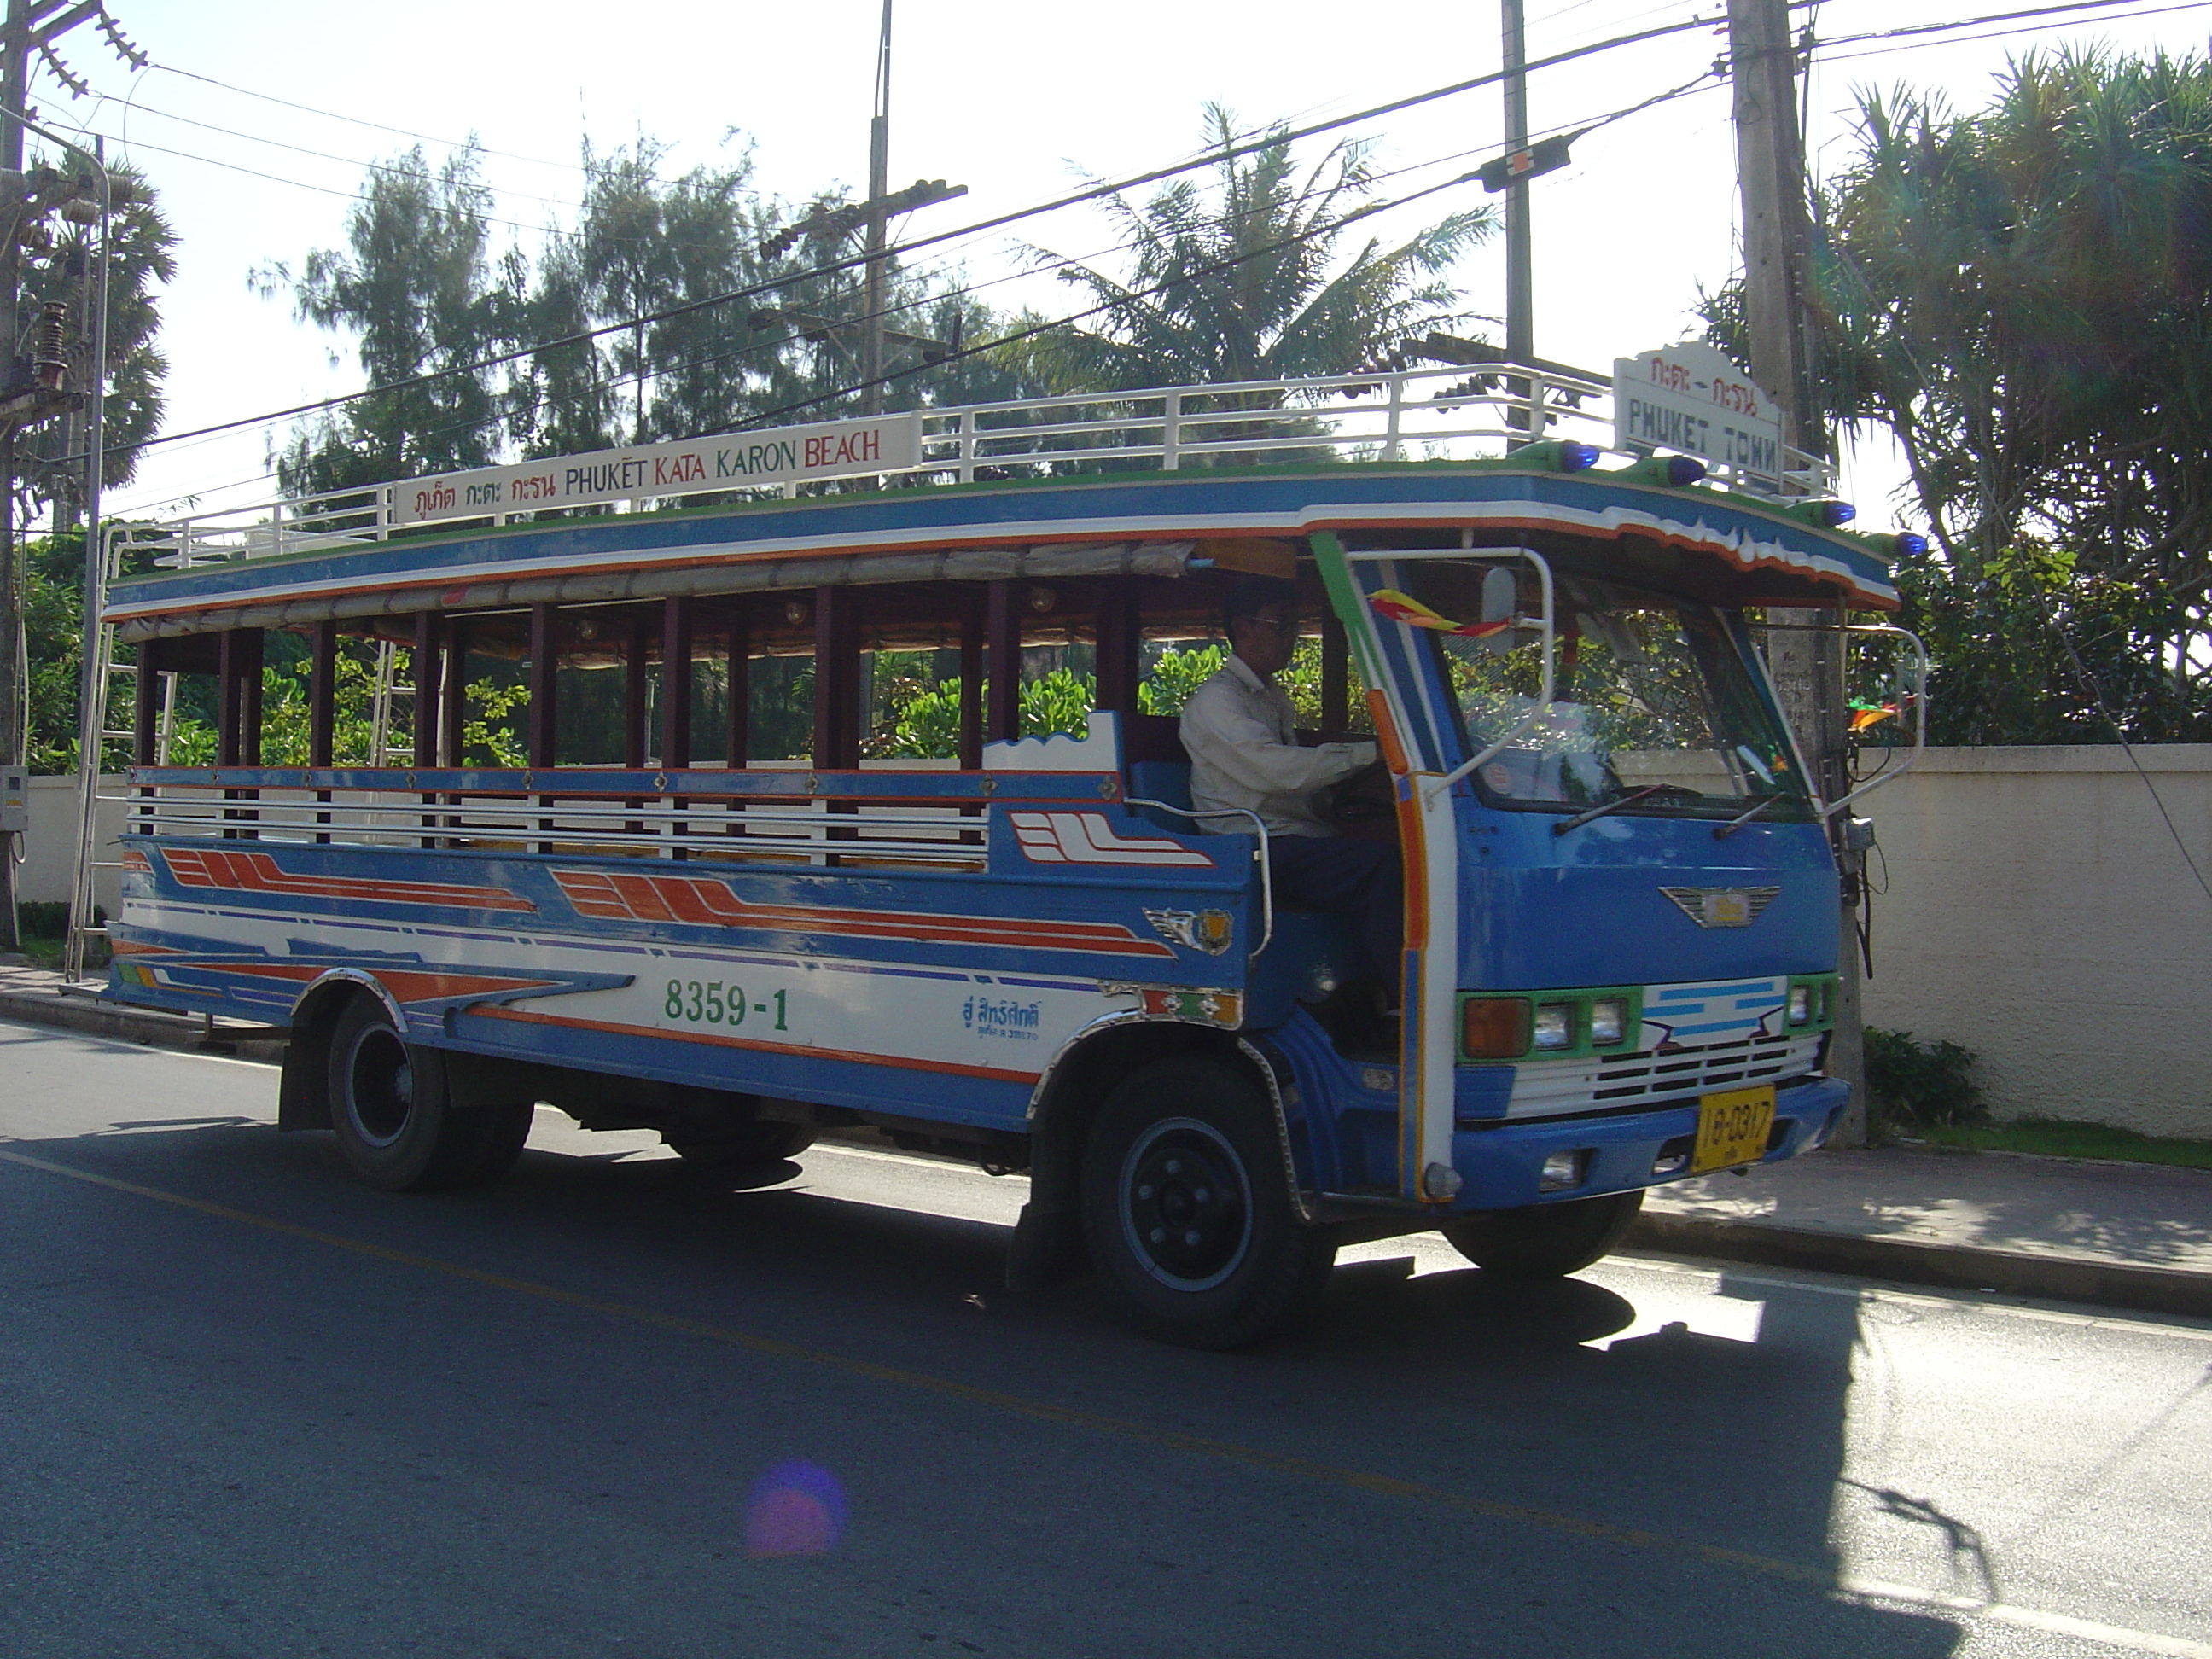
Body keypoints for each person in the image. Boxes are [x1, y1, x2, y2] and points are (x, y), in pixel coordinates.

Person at [1178, 577, 1405, 992]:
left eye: (1294, 627)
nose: (1291, 639)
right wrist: (1373, 753)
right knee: (1380, 869)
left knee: (1395, 854)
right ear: (1243, 628)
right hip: (1252, 847)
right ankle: (1404, 1002)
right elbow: (1276, 771)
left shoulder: (1270, 697)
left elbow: (1294, 783)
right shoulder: (1217, 701)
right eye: (1280, 625)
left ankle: (1361, 992)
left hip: (1286, 839)